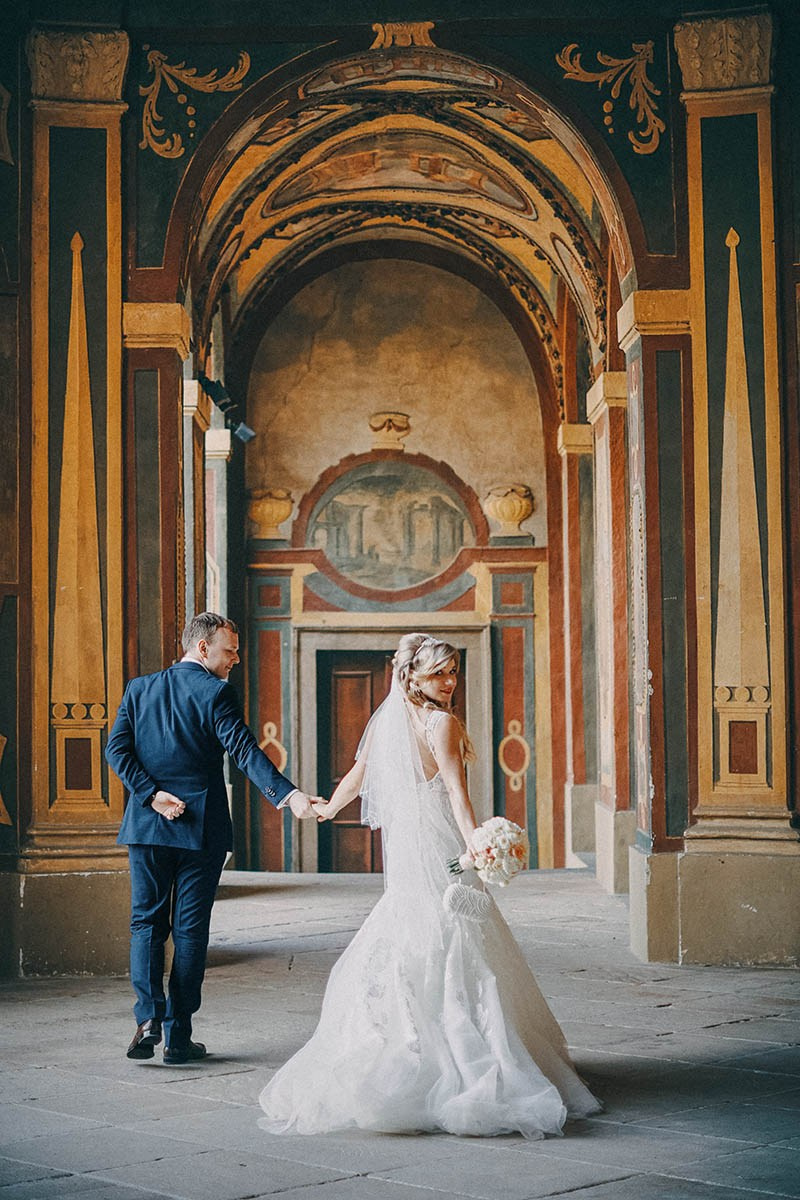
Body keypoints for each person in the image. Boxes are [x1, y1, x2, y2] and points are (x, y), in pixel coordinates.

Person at [259, 632, 600, 1138]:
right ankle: (463, 1055)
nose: (449, 681)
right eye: (438, 673)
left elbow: (358, 774)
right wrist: (477, 845)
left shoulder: (391, 720)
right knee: (455, 929)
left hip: (409, 847)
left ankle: (416, 1043)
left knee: (424, 927)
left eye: (453, 671)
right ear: (413, 677)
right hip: (440, 845)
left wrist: (328, 808)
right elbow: (456, 795)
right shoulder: (441, 723)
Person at [106, 612, 320, 1064]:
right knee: (189, 932)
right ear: (203, 648)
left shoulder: (139, 689)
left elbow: (116, 750)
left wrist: (150, 796)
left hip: (147, 826)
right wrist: (289, 795)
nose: (236, 659)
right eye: (230, 651)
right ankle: (178, 1037)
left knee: (146, 923)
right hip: (200, 830)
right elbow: (243, 749)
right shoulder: (216, 692)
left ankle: (147, 1019)